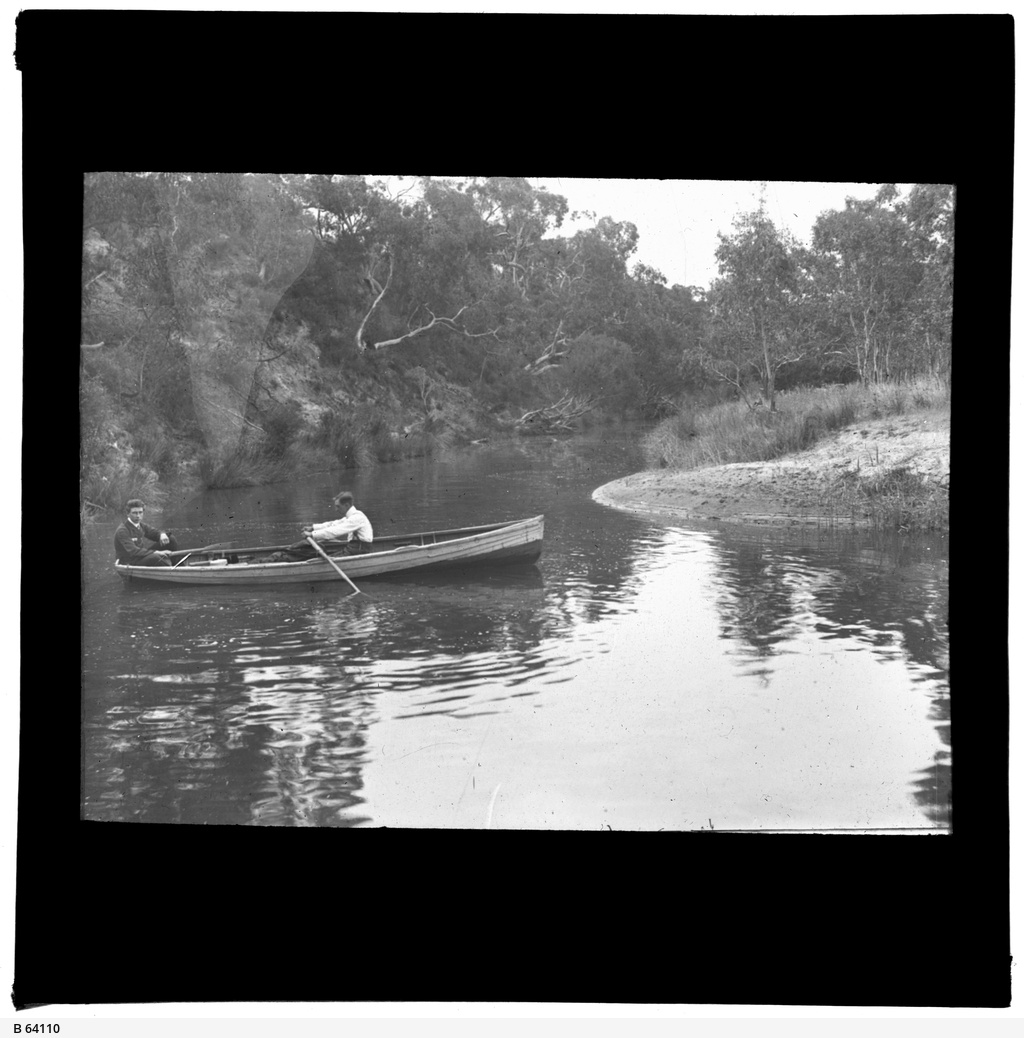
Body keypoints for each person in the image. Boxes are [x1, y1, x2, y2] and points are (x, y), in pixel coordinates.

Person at [275, 491, 374, 561]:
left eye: (338, 506)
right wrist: (313, 528)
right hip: (353, 548)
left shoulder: (356, 518)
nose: (336, 509)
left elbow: (335, 531)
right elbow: (333, 524)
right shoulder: (350, 517)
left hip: (359, 550)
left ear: (347, 505)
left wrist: (312, 535)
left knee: (322, 560)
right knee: (319, 554)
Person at [114, 499, 180, 566]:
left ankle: (178, 566)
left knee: (170, 539)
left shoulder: (141, 525)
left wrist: (162, 534)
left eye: (140, 512)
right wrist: (156, 552)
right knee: (154, 557)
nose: (138, 516)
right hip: (129, 561)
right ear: (128, 514)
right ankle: (171, 572)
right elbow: (133, 551)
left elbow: (154, 532)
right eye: (134, 513)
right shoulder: (122, 530)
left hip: (140, 556)